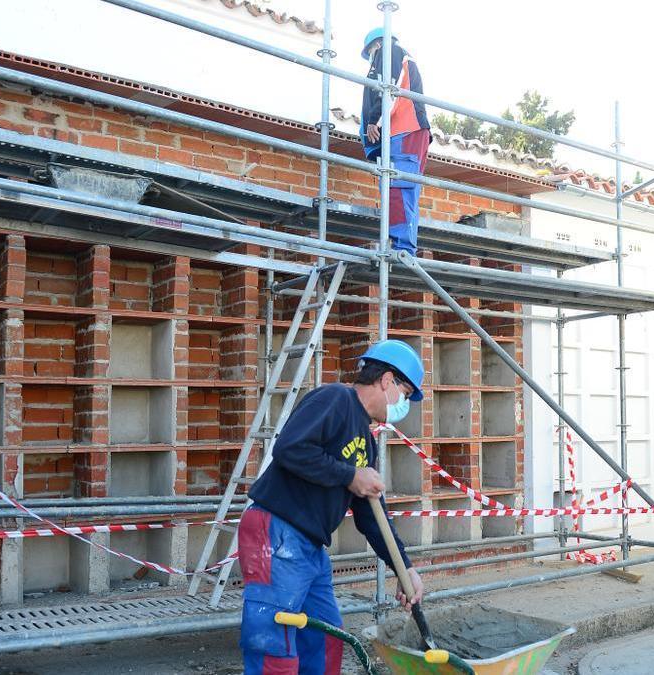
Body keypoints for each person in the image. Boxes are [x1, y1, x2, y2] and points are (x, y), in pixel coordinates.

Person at [239, 339, 426, 674]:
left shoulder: (367, 443)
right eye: (407, 393)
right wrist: (350, 475)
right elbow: (290, 449)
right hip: (277, 531)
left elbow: (371, 516)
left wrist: (405, 568)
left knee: (327, 637)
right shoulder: (335, 399)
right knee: (274, 640)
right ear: (386, 381)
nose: (405, 404)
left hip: (309, 546)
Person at [360, 27, 431, 257]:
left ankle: (403, 249)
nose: (371, 56)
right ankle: (400, 244)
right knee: (397, 188)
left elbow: (388, 87)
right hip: (403, 132)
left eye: (370, 51)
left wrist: (373, 120)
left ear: (377, 45)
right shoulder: (397, 55)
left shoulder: (389, 51)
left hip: (404, 129)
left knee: (399, 187)